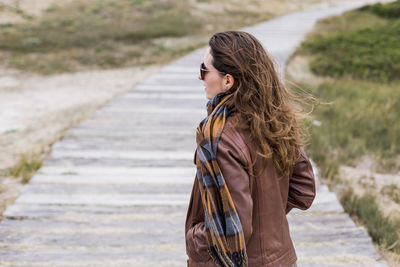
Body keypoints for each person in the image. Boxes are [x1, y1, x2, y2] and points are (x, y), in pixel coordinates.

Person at [185, 31, 316, 267]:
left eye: (205, 70)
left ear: (228, 81)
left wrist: (196, 240)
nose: (200, 77)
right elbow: (303, 190)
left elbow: (233, 229)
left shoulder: (219, 136)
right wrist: (266, 218)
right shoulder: (275, 118)